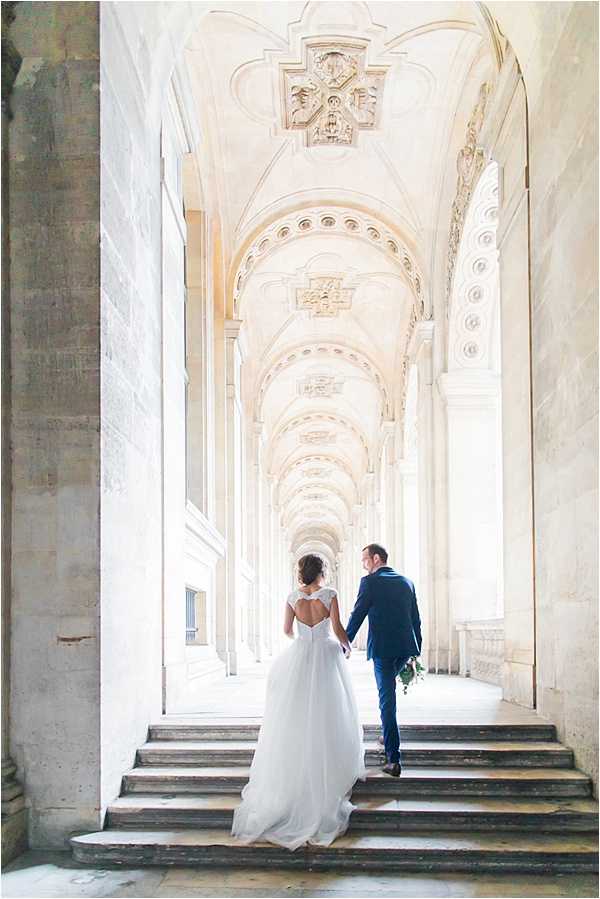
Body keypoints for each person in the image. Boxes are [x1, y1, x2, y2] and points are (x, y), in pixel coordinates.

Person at [231, 553, 366, 850]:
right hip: (326, 655)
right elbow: (339, 627)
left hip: (301, 655)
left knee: (296, 714)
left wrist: (303, 640)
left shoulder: (292, 598)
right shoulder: (330, 595)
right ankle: (327, 767)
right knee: (331, 712)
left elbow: (287, 631)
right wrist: (345, 647)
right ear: (322, 572)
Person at [345, 543, 422, 777]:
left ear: (376, 559)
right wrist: (416, 650)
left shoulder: (370, 582)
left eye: (365, 560)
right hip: (405, 648)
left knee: (386, 700)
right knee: (388, 693)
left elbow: (358, 613)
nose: (364, 565)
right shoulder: (407, 582)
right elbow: (415, 619)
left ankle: (393, 758)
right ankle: (388, 734)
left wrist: (344, 641)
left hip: (383, 650)